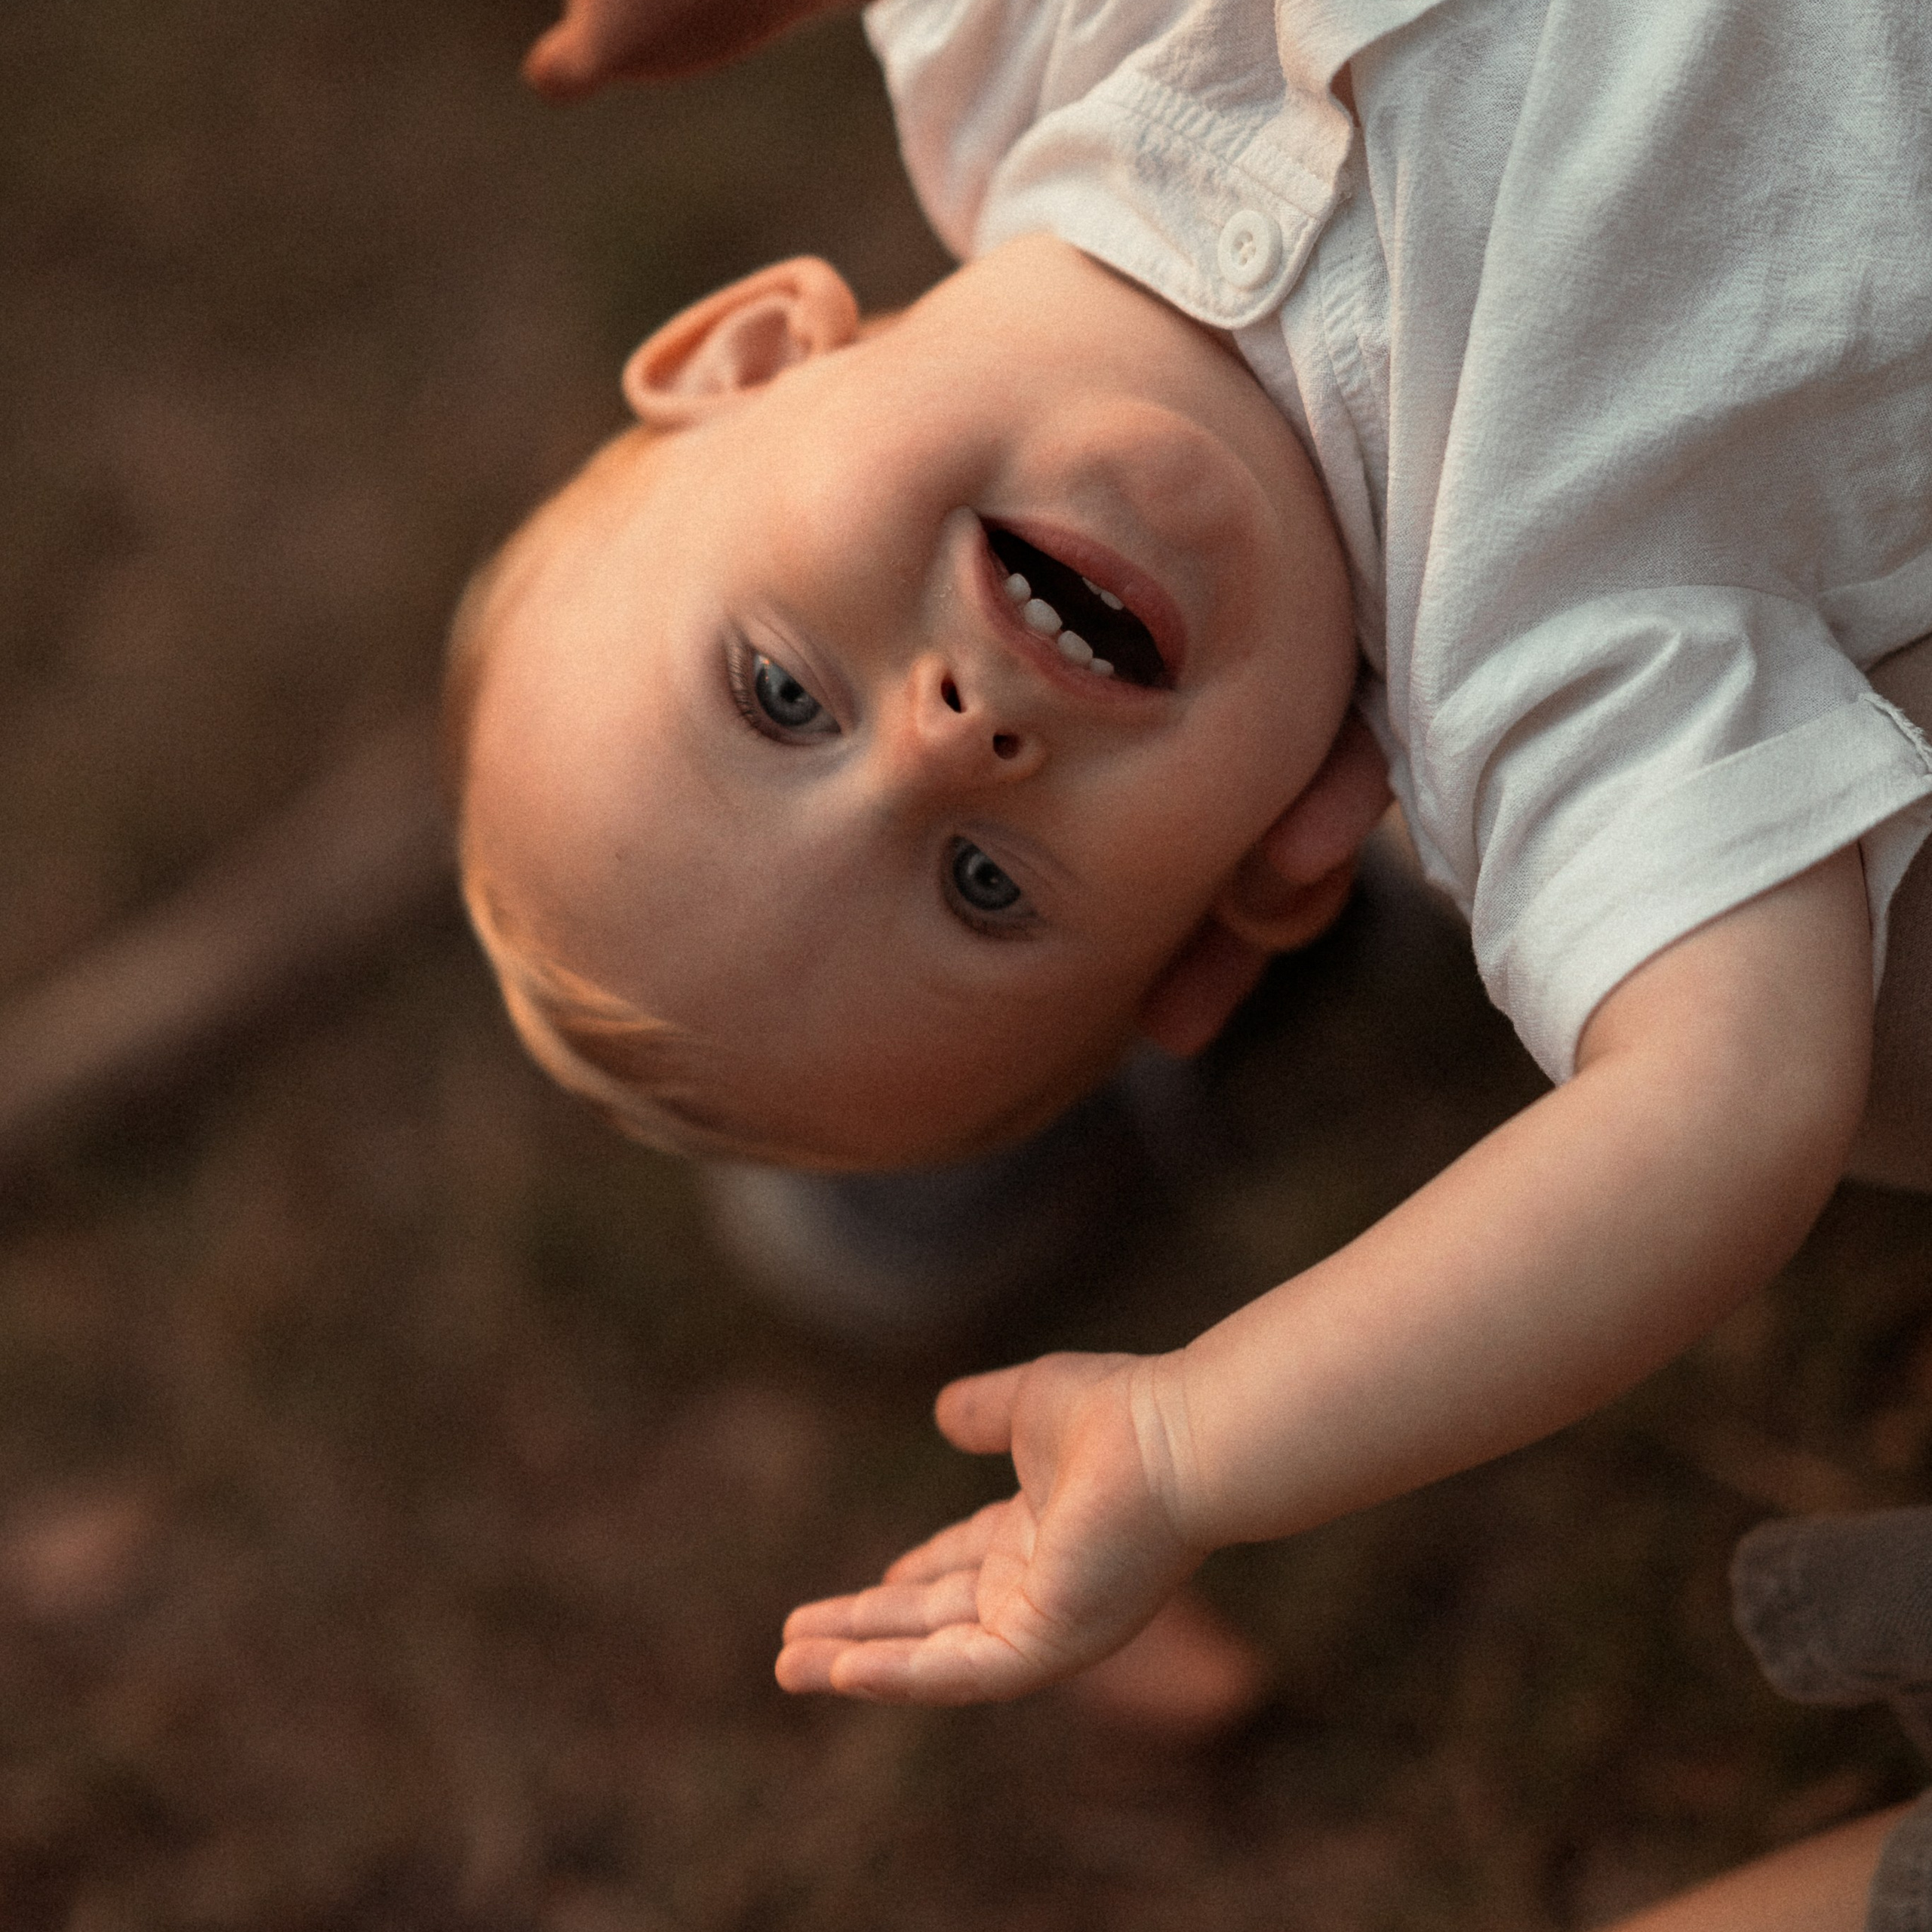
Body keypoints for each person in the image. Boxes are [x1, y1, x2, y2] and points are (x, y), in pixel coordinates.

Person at [454, 0, 1932, 1889]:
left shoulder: (1034, 56)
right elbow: (1723, 1102)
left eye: (773, 690)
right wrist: (1192, 1439)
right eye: (986, 886)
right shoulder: (1551, 667)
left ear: (750, 352)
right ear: (1265, 888)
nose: (942, 743)